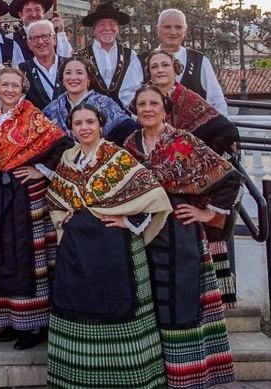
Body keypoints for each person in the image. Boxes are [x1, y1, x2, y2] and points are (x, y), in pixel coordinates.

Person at [46, 103, 171, 388]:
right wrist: (66, 220)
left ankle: (128, 379)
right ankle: (78, 379)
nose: (84, 128)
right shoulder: (68, 159)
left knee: (119, 303)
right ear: (72, 129)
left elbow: (152, 194)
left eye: (90, 122)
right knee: (77, 305)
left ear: (101, 126)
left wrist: (127, 220)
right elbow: (55, 198)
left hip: (114, 246)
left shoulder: (117, 157)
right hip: (77, 249)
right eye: (78, 123)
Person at [124, 85, 239, 388]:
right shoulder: (130, 145)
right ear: (135, 111)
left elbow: (228, 177)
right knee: (149, 301)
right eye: (141, 104)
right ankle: (153, 375)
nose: (147, 109)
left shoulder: (183, 141)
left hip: (179, 231)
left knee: (180, 299)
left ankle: (185, 377)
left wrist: (206, 213)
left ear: (165, 108)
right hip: (142, 232)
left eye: (154, 103)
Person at [0, 67, 72, 350]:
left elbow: (63, 145)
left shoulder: (33, 115)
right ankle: (9, 319)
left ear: (23, 88)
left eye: (14, 85)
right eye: (4, 85)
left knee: (28, 259)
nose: (9, 90)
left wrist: (40, 170)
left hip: (26, 197)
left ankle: (33, 325)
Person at [146, 49, 241, 306]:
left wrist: (198, 160)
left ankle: (213, 304)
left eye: (165, 65)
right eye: (154, 66)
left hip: (196, 188)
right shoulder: (150, 101)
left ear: (175, 68)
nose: (160, 70)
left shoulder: (189, 99)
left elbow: (227, 131)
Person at [139, 9, 228, 114]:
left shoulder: (200, 61)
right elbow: (129, 99)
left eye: (178, 27)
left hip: (195, 129)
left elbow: (216, 99)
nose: (173, 32)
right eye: (167, 27)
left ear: (185, 32)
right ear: (158, 31)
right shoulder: (140, 61)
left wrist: (219, 128)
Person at [43, 55, 139, 145]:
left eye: (79, 72)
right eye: (68, 73)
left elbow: (130, 132)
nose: (73, 77)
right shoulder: (51, 110)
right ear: (62, 79)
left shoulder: (105, 104)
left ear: (88, 78)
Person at [75, 1, 142, 111]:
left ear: (118, 28)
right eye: (102, 24)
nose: (107, 28)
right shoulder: (81, 56)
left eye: (112, 23)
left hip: (124, 117)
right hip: (89, 116)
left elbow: (135, 88)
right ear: (94, 29)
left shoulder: (130, 55)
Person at [17, 20, 67, 109]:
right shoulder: (21, 71)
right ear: (29, 44)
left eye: (45, 36)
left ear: (54, 39)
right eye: (35, 38)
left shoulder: (68, 65)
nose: (40, 42)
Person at [7, 0, 72, 60]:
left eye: (37, 10)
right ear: (20, 15)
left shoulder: (54, 35)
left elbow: (66, 60)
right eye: (28, 11)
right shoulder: (10, 39)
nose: (34, 15)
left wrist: (60, 33)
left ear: (43, 11)